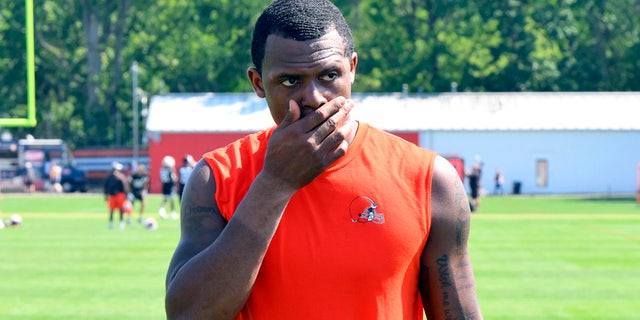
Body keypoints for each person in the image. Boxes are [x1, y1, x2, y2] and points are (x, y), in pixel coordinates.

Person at [165, 1, 482, 319]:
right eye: (290, 81)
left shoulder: (427, 179)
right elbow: (189, 314)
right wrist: (275, 183)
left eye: (329, 75)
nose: (314, 97)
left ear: (352, 69)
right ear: (258, 83)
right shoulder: (217, 177)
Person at [104, 162, 130, 229]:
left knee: (121, 209)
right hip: (112, 195)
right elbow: (106, 187)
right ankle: (111, 223)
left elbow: (125, 187)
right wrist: (106, 196)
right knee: (111, 210)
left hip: (120, 195)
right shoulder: (109, 177)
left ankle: (121, 222)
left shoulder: (121, 177)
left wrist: (126, 195)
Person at [159, 155, 178, 220]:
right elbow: (173, 179)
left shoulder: (162, 170)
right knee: (172, 199)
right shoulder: (170, 171)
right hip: (170, 186)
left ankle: (162, 211)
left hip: (165, 185)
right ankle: (173, 212)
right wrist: (175, 183)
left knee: (165, 199)